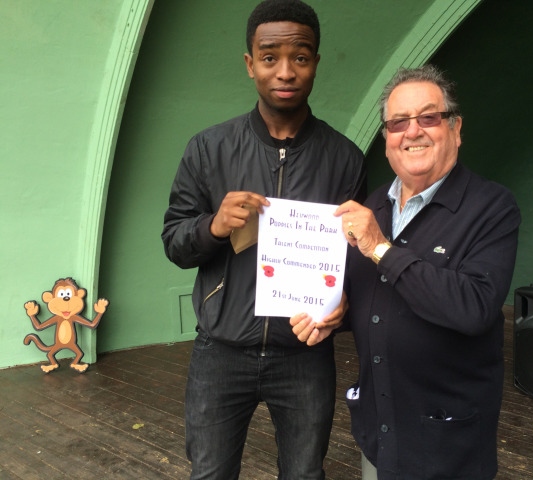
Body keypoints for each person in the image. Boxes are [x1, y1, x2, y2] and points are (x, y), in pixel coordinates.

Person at [161, 1, 367, 478]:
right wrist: (213, 225)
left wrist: (343, 306)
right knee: (210, 473)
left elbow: (354, 259)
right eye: (270, 56)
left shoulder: (345, 158)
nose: (286, 71)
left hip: (305, 357)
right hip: (221, 351)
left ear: (316, 62)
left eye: (301, 56)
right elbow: (173, 242)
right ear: (250, 63)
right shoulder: (208, 149)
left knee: (303, 473)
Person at [291, 64, 521, 479]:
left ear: (456, 128)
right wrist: (335, 314)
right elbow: (370, 297)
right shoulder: (374, 206)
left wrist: (381, 247)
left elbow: (474, 308)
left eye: (428, 117)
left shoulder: (492, 207)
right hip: (379, 432)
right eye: (398, 122)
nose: (412, 131)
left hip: (448, 445)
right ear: (386, 139)